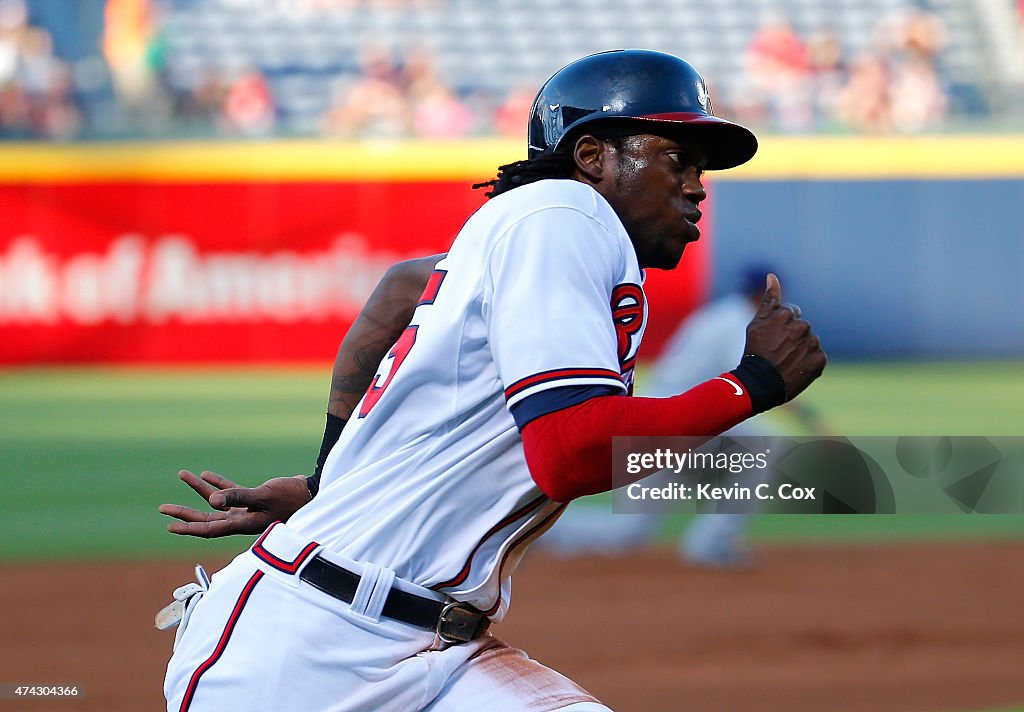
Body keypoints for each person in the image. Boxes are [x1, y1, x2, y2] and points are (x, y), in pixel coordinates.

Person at [160, 49, 826, 712]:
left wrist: (326, 484)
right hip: (303, 653)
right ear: (591, 155)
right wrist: (753, 384)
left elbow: (398, 292)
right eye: (675, 159)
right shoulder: (567, 214)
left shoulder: (536, 227)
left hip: (433, 649)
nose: (696, 185)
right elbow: (570, 451)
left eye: (699, 168)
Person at [645, 265, 829, 569]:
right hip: (679, 426)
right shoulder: (739, 323)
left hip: (655, 423)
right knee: (764, 441)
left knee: (625, 533)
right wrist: (812, 420)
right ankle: (711, 544)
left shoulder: (715, 316)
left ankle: (550, 530)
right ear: (765, 293)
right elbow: (758, 381)